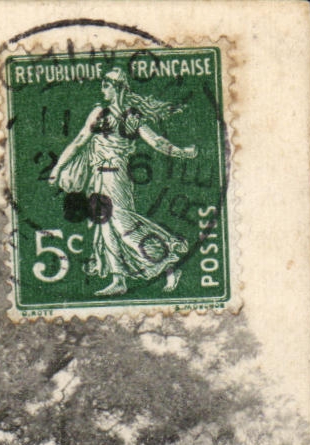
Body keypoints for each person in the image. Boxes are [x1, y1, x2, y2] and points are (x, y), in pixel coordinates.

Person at [46, 68, 199, 296]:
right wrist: (58, 168)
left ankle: (169, 258)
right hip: (97, 179)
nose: (102, 89)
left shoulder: (131, 118)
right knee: (106, 229)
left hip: (116, 177)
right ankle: (119, 280)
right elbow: (79, 141)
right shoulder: (99, 112)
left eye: (106, 85)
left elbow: (156, 141)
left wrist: (181, 153)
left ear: (117, 87)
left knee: (123, 224)